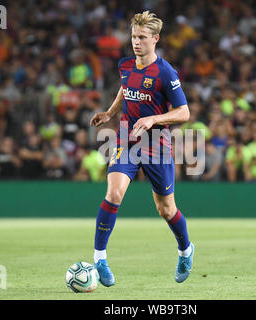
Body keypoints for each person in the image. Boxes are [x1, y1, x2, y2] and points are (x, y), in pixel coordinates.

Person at [89, 11, 194, 286]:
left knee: (166, 209)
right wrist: (110, 112)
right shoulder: (125, 65)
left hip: (156, 146)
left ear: (155, 39)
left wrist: (153, 119)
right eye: (134, 37)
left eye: (142, 38)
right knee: (113, 192)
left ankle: (185, 249)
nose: (136, 42)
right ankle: (100, 258)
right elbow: (126, 89)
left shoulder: (166, 72)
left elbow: (184, 112)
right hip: (127, 140)